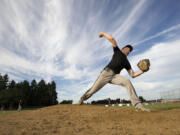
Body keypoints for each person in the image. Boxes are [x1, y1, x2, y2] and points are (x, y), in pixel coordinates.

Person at [78, 32, 151, 112]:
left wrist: (142, 71)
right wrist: (103, 34)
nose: (128, 51)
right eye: (127, 49)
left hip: (115, 76)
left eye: (130, 51)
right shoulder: (117, 51)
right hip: (106, 73)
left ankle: (138, 105)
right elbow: (112, 39)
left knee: (127, 81)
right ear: (123, 48)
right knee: (93, 90)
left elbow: (132, 75)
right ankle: (82, 98)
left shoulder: (126, 62)